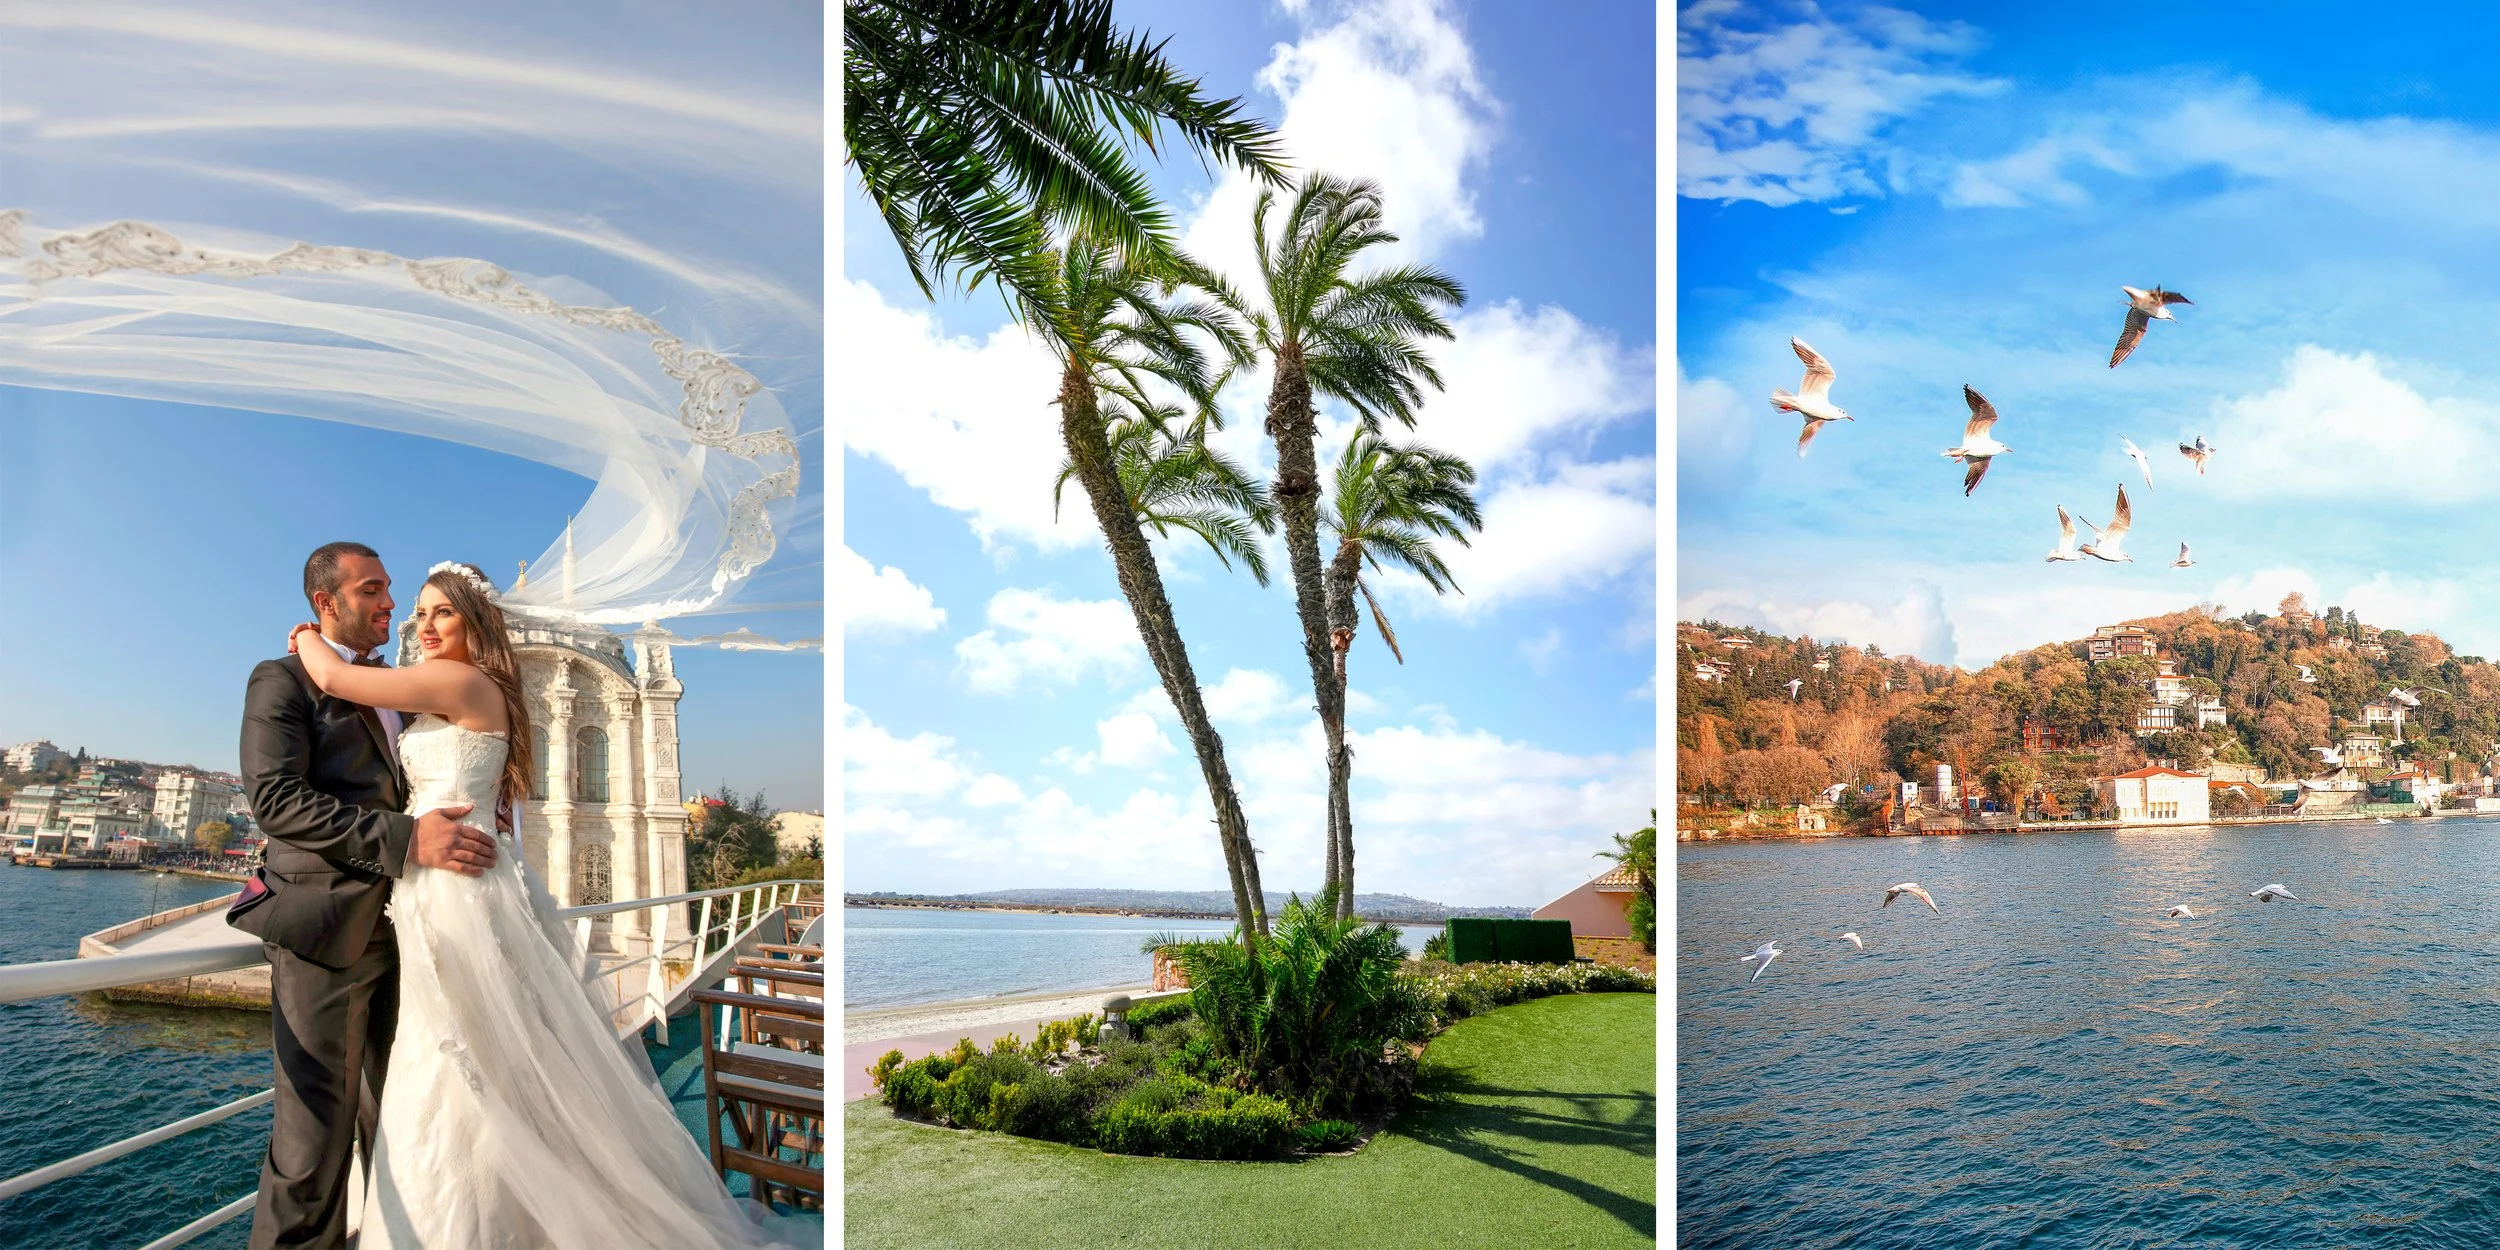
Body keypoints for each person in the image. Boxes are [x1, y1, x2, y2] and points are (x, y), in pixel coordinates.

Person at [284, 559, 793, 1249]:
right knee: (463, 1059)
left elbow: (339, 679)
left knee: (451, 1058)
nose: (424, 625)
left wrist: (308, 635)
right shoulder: (481, 686)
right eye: (419, 614)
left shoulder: (459, 680)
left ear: (475, 622)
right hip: (449, 882)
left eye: (442, 612)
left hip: (454, 890)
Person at [233, 542, 501, 1250]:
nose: (392, 606)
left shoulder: (405, 688)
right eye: (373, 591)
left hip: (414, 930)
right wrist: (408, 840)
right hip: (326, 934)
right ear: (327, 603)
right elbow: (276, 801)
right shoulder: (282, 680)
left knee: (403, 1121)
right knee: (311, 1146)